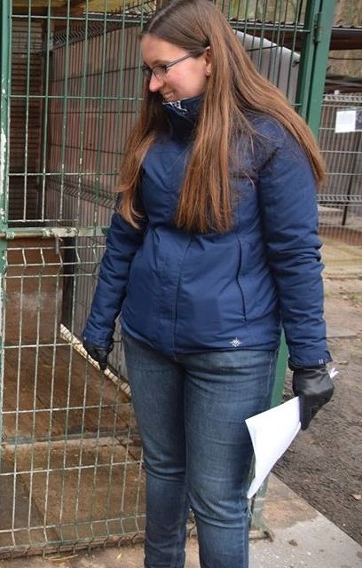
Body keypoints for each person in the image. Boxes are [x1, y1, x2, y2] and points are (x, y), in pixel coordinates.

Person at [81, 0, 334, 566]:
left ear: (211, 59)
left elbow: (295, 255)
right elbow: (124, 237)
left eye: (163, 67)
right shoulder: (154, 139)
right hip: (149, 341)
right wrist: (100, 324)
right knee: (163, 475)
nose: (152, 84)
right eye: (149, 70)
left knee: (217, 499)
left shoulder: (271, 140)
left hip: (232, 351)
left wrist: (311, 360)